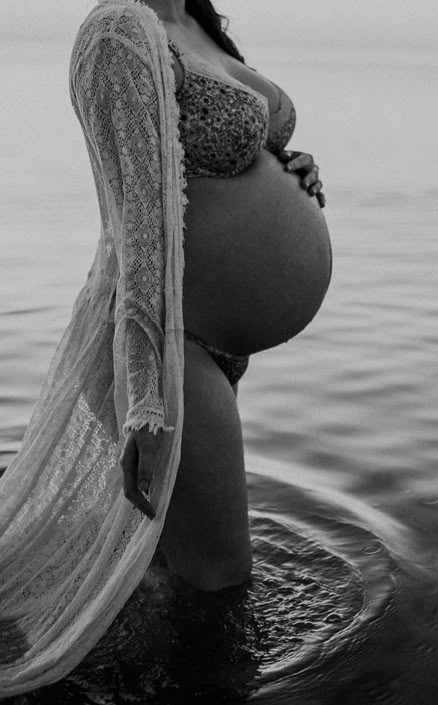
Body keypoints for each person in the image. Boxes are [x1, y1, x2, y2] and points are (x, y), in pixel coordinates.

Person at [0, 0, 332, 695]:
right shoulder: (120, 31)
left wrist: (288, 163)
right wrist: (145, 399)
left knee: (172, 580)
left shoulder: (195, 28)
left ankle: (132, 677)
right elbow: (140, 231)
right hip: (168, 348)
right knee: (220, 589)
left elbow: (214, 164)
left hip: (203, 344)